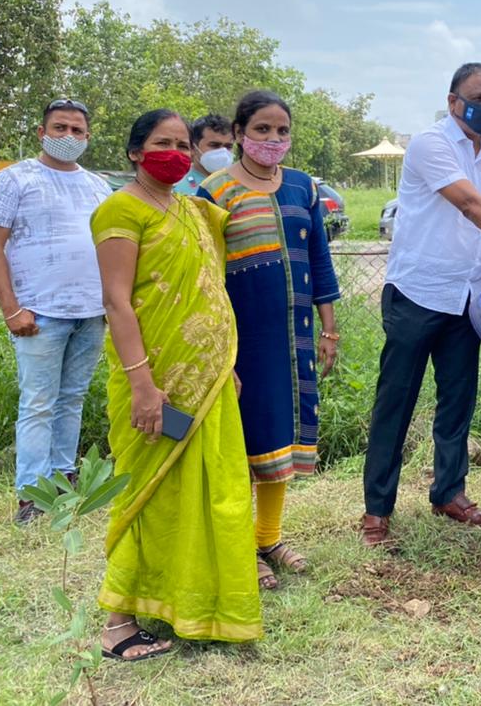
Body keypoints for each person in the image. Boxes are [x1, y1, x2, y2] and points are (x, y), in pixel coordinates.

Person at [93, 109, 261, 661]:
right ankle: (118, 621)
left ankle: (199, 602)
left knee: (218, 492)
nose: (176, 152)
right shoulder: (120, 210)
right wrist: (143, 385)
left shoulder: (194, 210)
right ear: (135, 153)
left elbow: (207, 289)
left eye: (183, 144)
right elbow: (118, 302)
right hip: (154, 380)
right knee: (148, 490)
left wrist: (222, 362)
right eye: (162, 143)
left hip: (208, 378)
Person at [360, 63, 481, 546]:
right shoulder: (431, 143)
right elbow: (470, 205)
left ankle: (449, 492)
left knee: (457, 402)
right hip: (418, 292)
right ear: (452, 100)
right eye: (478, 97)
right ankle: (377, 509)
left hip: (468, 296)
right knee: (395, 402)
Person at [198, 91, 341, 590]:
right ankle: (240, 547)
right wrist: (219, 352)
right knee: (241, 441)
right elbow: (205, 277)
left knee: (281, 434)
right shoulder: (212, 193)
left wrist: (329, 328)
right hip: (242, 340)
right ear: (239, 134)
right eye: (262, 130)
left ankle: (269, 538)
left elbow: (320, 260)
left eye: (282, 131)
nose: (273, 140)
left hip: (295, 336)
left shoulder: (303, 188)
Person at [0, 98, 112, 525]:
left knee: (71, 399)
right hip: (38, 314)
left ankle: (62, 479)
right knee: (38, 402)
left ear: (87, 137)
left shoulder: (98, 186)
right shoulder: (13, 180)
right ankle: (31, 494)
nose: (68, 137)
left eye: (76, 130)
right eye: (59, 128)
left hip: (91, 312)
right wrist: (11, 309)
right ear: (41, 132)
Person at [174, 114, 234, 196]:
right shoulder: (175, 183)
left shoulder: (240, 183)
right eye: (214, 145)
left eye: (228, 146)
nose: (223, 152)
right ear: (193, 148)